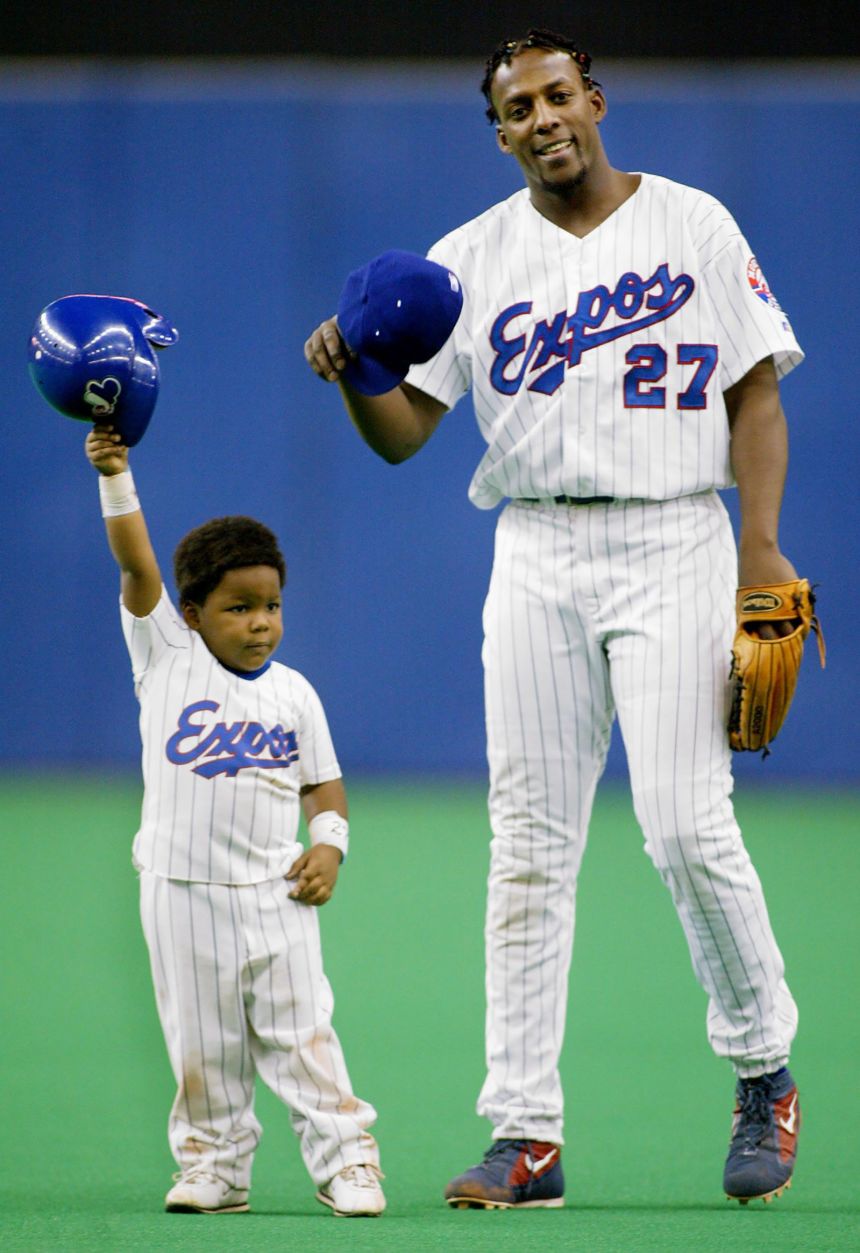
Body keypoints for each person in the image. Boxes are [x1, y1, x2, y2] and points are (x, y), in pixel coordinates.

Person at [304, 28, 804, 1210]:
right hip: (533, 547)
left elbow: (755, 391)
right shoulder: (467, 258)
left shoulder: (691, 223)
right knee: (527, 845)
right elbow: (406, 433)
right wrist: (354, 377)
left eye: (555, 94)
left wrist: (758, 543)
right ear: (497, 131)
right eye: (515, 106)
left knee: (684, 823)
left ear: (594, 98)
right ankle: (524, 1134)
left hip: (674, 532)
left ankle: (759, 1068)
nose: (540, 117)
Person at [84, 423, 385, 1218]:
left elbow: (324, 785)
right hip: (180, 892)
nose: (261, 622)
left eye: (272, 604)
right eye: (239, 606)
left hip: (275, 896)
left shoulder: (294, 693)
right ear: (190, 613)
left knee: (303, 1037)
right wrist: (117, 473)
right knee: (202, 1046)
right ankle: (215, 1165)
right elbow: (135, 562)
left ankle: (349, 1159)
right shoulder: (166, 656)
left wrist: (331, 846)